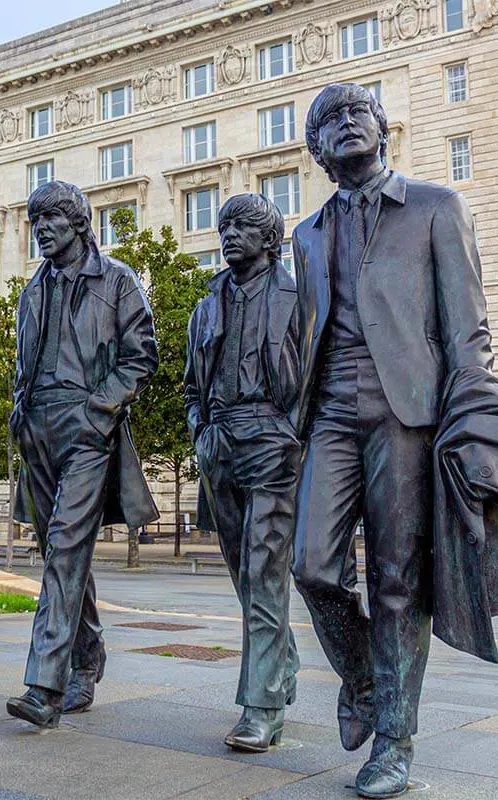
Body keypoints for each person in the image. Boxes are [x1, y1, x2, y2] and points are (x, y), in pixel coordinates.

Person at [289, 83, 495, 797]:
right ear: (315, 149)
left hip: (408, 411)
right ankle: (368, 682)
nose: (346, 124)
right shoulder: (305, 234)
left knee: (397, 582)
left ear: (384, 131)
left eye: (358, 113)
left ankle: (395, 744)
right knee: (312, 566)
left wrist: (471, 415)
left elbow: (467, 327)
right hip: (330, 415)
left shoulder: (436, 207)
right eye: (329, 121)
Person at [7, 180, 158, 729]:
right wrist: (19, 414)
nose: (40, 227)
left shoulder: (116, 280)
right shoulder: (31, 291)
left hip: (88, 426)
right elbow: (22, 365)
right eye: (34, 218)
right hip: (38, 430)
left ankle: (43, 683)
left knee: (69, 547)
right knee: (59, 553)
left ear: (77, 222)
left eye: (49, 217)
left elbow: (142, 355)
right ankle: (88, 656)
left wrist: (102, 408)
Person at [183, 193, 302, 752]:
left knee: (263, 571)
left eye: (245, 226)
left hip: (273, 440)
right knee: (243, 573)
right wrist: (199, 432)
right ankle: (280, 663)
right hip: (219, 443)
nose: (229, 233)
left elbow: (318, 374)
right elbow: (191, 386)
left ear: (269, 237)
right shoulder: (206, 306)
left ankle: (261, 707)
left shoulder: (298, 297)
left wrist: (292, 433)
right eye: (225, 225)